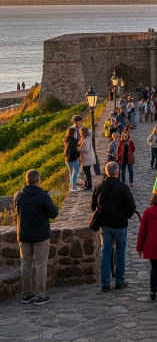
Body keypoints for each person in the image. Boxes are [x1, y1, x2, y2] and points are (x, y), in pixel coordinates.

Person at [14, 169, 59, 306]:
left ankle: (26, 294)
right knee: (40, 265)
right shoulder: (43, 196)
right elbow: (53, 213)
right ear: (38, 181)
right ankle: (40, 295)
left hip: (23, 235)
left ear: (27, 180)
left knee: (25, 265)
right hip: (40, 235)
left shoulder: (18, 195)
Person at [91, 162, 137, 292]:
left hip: (105, 225)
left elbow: (93, 207)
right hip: (120, 225)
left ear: (106, 172)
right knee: (121, 251)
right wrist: (125, 216)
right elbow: (132, 207)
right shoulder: (123, 187)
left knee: (106, 252)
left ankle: (105, 283)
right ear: (118, 172)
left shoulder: (99, 186)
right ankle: (119, 280)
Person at [64, 127, 81, 192]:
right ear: (73, 133)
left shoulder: (66, 140)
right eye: (76, 133)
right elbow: (74, 150)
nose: (76, 134)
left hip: (67, 158)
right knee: (76, 170)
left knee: (71, 172)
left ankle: (71, 186)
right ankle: (73, 186)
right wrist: (78, 155)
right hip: (73, 158)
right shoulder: (73, 140)